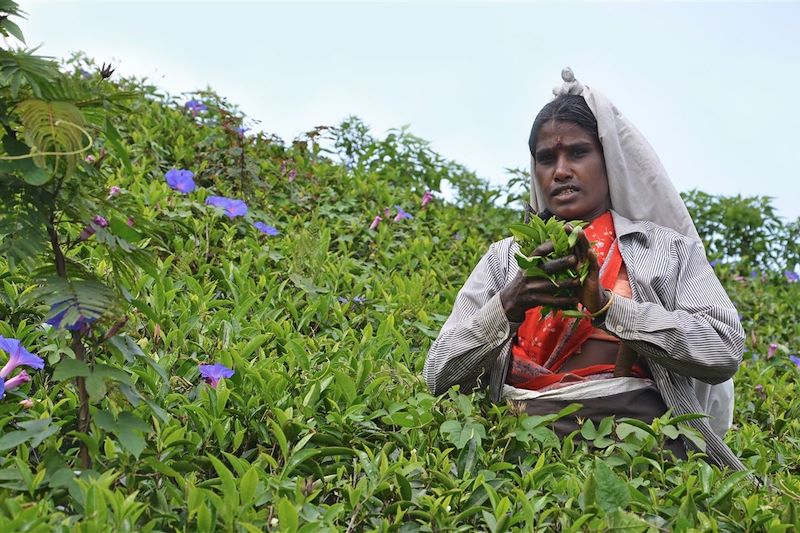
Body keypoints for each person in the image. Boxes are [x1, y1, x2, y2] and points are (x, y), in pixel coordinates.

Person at [423, 68, 746, 470]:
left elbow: (723, 349)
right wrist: (508, 305)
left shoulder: (664, 248)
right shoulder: (505, 259)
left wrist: (607, 306)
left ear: (608, 160)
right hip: (518, 440)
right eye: (547, 158)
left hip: (639, 441)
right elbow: (437, 375)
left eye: (577, 152)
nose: (560, 170)